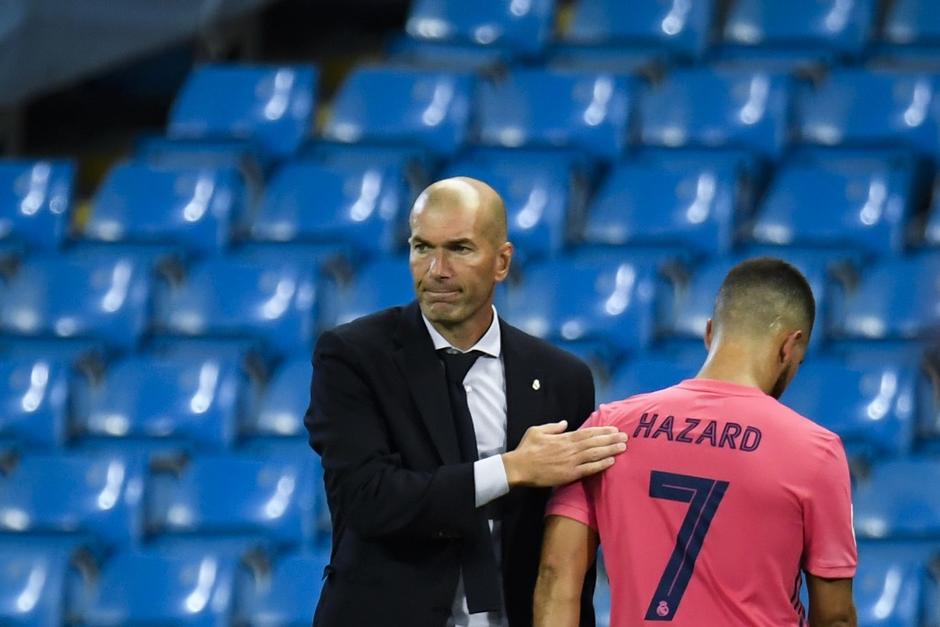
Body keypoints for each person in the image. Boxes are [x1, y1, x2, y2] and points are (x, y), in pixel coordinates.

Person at [305, 177, 628, 627]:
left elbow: (567, 547)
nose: (436, 269)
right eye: (422, 247)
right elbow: (368, 499)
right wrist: (512, 469)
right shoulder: (354, 356)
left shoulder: (561, 378)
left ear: (502, 262)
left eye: (459, 249)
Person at [534, 258, 858, 627]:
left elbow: (555, 577)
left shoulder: (608, 429)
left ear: (709, 332)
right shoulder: (816, 451)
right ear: (790, 346)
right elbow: (835, 617)